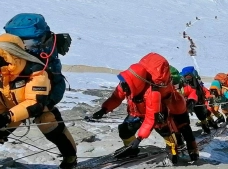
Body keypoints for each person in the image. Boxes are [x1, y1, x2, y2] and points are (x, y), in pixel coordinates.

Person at [91, 53, 199, 164]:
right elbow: (116, 97)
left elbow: (151, 119)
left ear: (135, 83)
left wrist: (139, 139)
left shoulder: (153, 94)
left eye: (125, 83)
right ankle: (131, 149)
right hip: (136, 113)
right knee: (124, 130)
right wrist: (104, 109)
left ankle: (179, 151)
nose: (122, 85)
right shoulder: (126, 83)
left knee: (171, 133)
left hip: (158, 115)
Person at [0, 33, 77, 169]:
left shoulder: (36, 71)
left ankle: (70, 159)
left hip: (39, 107)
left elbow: (36, 103)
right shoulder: (3, 72)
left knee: (53, 131)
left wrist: (7, 117)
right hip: (10, 109)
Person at [180, 66, 217, 134]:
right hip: (187, 103)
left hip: (199, 102)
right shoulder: (182, 85)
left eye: (189, 76)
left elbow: (204, 91)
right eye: (187, 77)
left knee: (204, 114)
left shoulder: (198, 84)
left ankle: (208, 124)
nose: (188, 78)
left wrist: (209, 96)